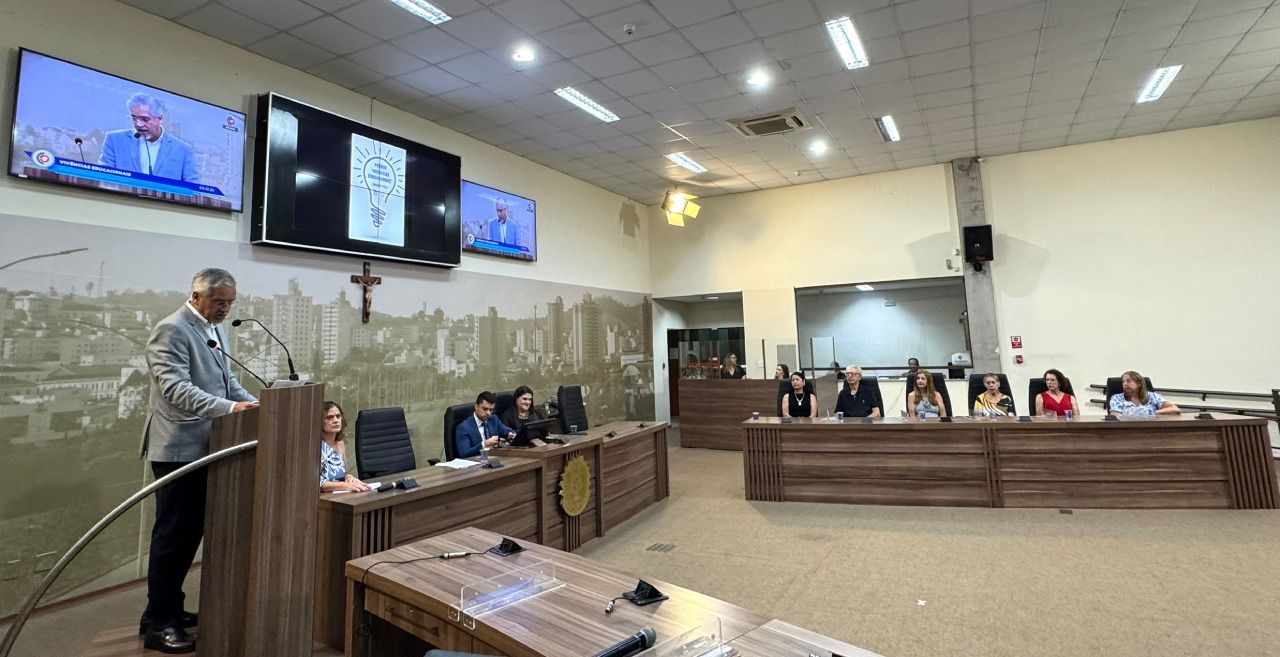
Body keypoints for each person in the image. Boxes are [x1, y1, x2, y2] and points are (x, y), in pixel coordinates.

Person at [138, 268, 258, 653]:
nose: (225, 309)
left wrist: (255, 402)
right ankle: (158, 623)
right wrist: (232, 408)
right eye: (219, 301)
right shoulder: (171, 329)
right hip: (178, 449)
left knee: (189, 535)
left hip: (209, 445)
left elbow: (227, 381)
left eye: (230, 303)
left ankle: (168, 608)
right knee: (172, 538)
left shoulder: (215, 329)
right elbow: (176, 390)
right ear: (196, 295)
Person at [100, 92, 200, 183]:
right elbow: (103, 177)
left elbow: (193, 187)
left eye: (144, 119)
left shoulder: (183, 150)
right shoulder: (114, 140)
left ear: (159, 119)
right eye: (134, 118)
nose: (138, 124)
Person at [319, 401, 371, 493]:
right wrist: (346, 485)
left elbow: (343, 473)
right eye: (329, 417)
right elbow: (317, 483)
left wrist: (349, 478)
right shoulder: (315, 446)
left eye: (338, 416)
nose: (336, 420)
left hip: (339, 494)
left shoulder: (340, 443)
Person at [455, 391, 517, 458]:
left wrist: (510, 434)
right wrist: (484, 444)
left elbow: (508, 431)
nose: (488, 413)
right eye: (485, 409)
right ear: (476, 407)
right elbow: (464, 454)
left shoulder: (494, 419)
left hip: (495, 459)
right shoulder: (463, 428)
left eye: (491, 410)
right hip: (477, 464)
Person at [1109, 371, 1180, 416]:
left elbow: (1175, 409)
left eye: (1128, 381)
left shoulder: (1153, 396)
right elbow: (1115, 416)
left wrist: (1155, 413)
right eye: (1123, 382)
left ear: (1139, 383)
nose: (1125, 384)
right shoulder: (1117, 398)